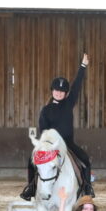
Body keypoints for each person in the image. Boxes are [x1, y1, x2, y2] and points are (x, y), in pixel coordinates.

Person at [21, 53, 92, 200]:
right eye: (57, 90)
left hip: (68, 144)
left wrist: (83, 66)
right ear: (52, 91)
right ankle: (31, 187)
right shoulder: (45, 110)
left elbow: (77, 86)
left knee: (85, 159)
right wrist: (48, 144)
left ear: (65, 94)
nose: (59, 93)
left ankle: (87, 187)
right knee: (31, 161)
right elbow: (43, 130)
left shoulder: (68, 104)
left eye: (62, 91)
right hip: (50, 146)